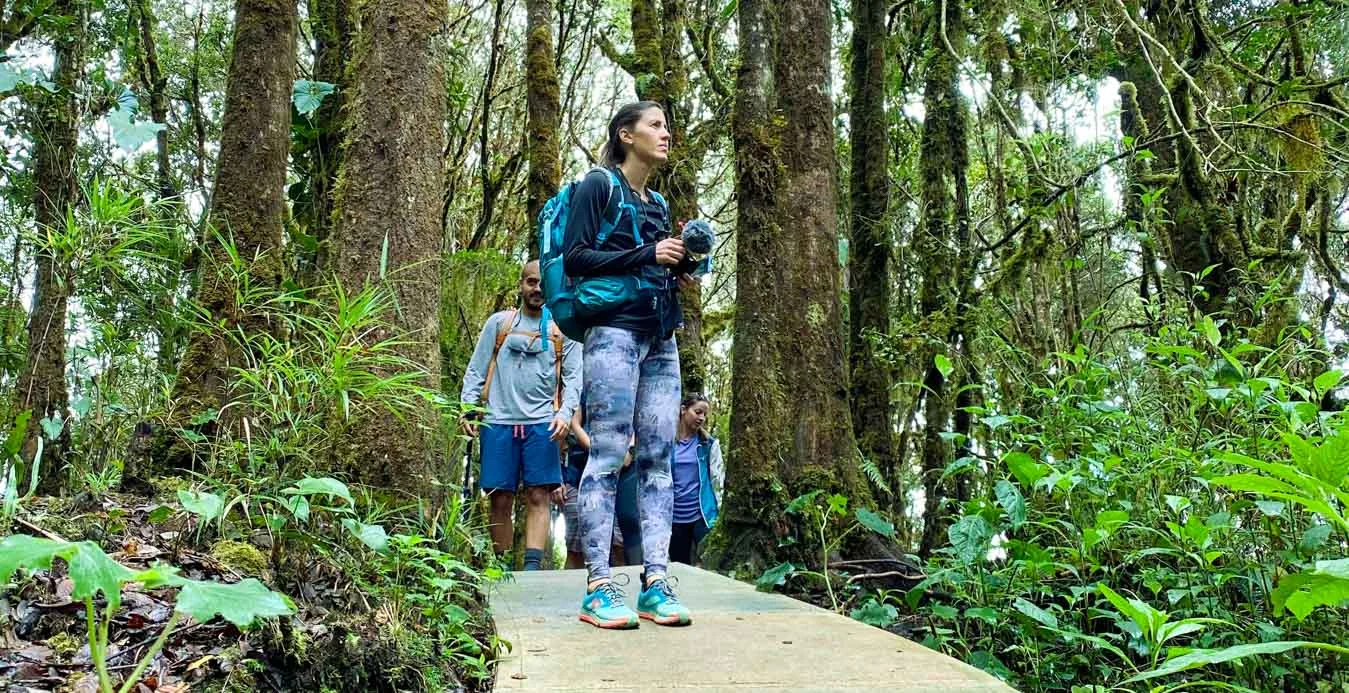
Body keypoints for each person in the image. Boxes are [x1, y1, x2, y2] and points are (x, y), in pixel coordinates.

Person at [563, 101, 697, 629]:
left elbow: (655, 262)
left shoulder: (658, 202)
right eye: (656, 125)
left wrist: (678, 267)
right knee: (609, 453)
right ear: (627, 134)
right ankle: (598, 585)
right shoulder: (599, 184)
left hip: (660, 336)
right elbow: (575, 258)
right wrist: (646, 255)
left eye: (667, 125)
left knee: (659, 460)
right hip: (612, 334)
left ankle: (657, 582)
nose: (666, 134)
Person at [460, 260, 581, 571]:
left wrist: (565, 414)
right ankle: (499, 568)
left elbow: (574, 378)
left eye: (543, 283)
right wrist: (468, 407)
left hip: (542, 423)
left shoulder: (562, 330)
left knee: (539, 496)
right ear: (521, 285)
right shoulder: (499, 324)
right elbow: (476, 368)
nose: (537, 289)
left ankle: (531, 571)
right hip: (498, 420)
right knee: (500, 497)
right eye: (531, 282)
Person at [559, 402, 642, 569]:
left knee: (619, 543)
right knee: (576, 546)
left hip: (621, 476)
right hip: (581, 471)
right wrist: (600, 451)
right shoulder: (585, 386)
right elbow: (575, 423)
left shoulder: (630, 388)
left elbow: (638, 423)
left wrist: (629, 451)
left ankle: (624, 586)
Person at [669, 394, 723, 565]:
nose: (702, 418)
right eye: (698, 412)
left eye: (704, 414)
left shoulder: (709, 444)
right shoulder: (667, 443)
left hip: (703, 517)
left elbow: (718, 481)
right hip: (674, 518)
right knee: (679, 566)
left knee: (709, 565)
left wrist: (720, 513)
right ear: (683, 410)